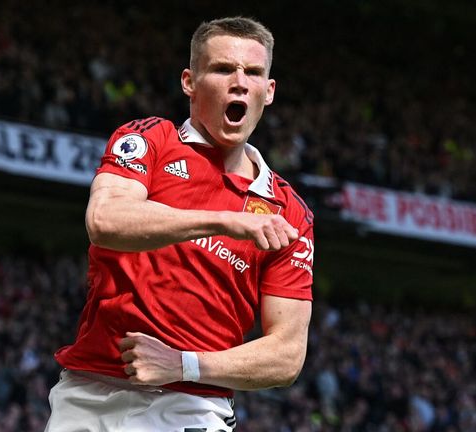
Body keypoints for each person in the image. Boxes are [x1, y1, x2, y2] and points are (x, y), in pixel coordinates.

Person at [45, 16, 315, 432]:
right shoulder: (149, 139)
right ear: (190, 82)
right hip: (88, 393)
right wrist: (225, 221)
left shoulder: (289, 212)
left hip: (190, 406)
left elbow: (286, 356)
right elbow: (105, 219)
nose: (240, 82)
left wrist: (183, 365)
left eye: (254, 73)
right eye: (223, 69)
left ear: (269, 91)